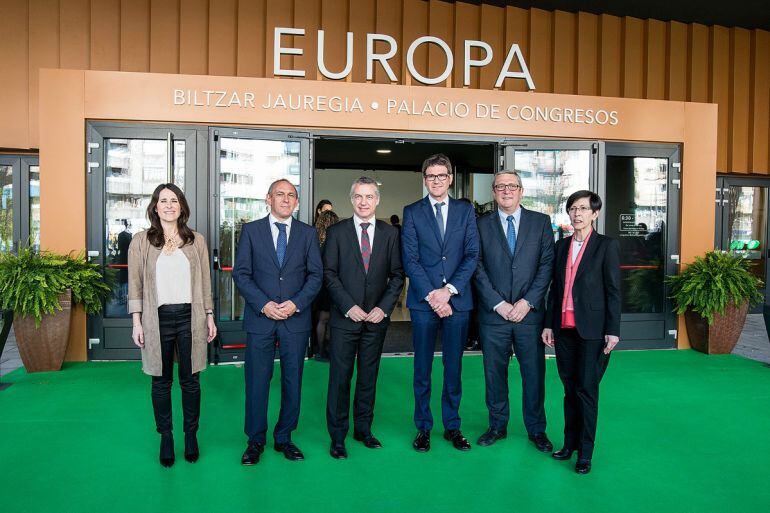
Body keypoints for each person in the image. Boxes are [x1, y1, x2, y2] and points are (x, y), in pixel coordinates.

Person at [233, 179, 323, 465]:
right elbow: (242, 274)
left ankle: (284, 437)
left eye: (291, 195)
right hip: (261, 319)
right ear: (268, 199)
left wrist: (296, 303)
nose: (286, 199)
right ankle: (255, 440)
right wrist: (264, 304)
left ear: (297, 202)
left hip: (295, 320)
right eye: (280, 194)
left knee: (292, 380)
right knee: (257, 381)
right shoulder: (251, 231)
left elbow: (316, 276)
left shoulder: (308, 234)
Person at [128, 183, 217, 467]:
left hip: (190, 318)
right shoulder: (141, 241)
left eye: (174, 200)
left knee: (191, 381)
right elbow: (135, 285)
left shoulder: (196, 241)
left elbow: (205, 282)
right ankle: (166, 437)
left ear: (181, 207)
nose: (169, 205)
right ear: (155, 207)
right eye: (163, 200)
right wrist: (136, 322)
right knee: (161, 381)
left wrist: (209, 315)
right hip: (157, 319)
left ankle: (191, 435)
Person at [401, 153, 479, 452]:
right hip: (424, 303)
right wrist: (434, 295)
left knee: (453, 367)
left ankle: (452, 426)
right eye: (431, 176)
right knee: (422, 368)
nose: (436, 181)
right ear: (425, 180)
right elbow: (410, 259)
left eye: (441, 176)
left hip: (457, 302)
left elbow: (472, 254)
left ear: (450, 179)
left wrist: (449, 290)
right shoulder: (412, 212)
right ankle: (423, 427)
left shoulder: (465, 211)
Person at [323, 177, 405, 459]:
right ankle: (337, 436)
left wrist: (383, 308)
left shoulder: (390, 234)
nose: (364, 202)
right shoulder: (336, 232)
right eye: (358, 196)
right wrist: (348, 306)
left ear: (377, 200)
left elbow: (397, 275)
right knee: (340, 378)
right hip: (346, 319)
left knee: (369, 377)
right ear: (351, 199)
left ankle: (363, 430)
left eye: (369, 197)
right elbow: (329, 274)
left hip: (376, 319)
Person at [473, 170, 554, 453]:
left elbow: (546, 266)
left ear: (521, 191)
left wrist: (526, 302)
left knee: (533, 374)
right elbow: (477, 267)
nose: (506, 191)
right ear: (494, 192)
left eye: (512, 186)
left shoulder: (541, 222)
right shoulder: (480, 225)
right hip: (493, 316)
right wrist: (499, 303)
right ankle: (497, 425)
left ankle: (536, 429)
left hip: (529, 316)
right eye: (500, 186)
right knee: (494, 374)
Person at [541, 190, 620, 475]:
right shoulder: (561, 246)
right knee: (569, 389)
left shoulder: (605, 246)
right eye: (573, 208)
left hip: (593, 331)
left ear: (595, 214)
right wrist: (549, 324)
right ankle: (569, 443)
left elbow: (613, 291)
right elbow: (554, 290)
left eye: (583, 209)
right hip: (564, 330)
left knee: (587, 390)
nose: (577, 213)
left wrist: (613, 330)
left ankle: (585, 453)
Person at [312, 209, 340, 361]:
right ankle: (328, 351)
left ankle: (319, 350)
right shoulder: (335, 241)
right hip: (332, 286)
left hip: (318, 286)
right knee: (331, 320)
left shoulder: (314, 241)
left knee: (320, 319)